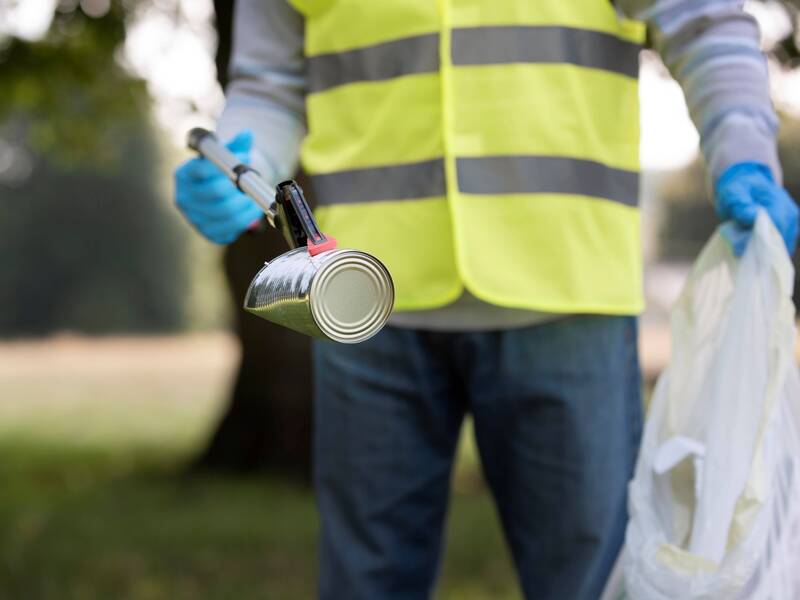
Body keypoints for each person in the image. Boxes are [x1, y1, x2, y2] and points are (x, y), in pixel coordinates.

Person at [174, 1, 799, 598]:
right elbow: (271, 81)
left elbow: (704, 20)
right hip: (361, 303)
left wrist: (743, 153)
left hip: (567, 291)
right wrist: (239, 157)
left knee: (592, 585)